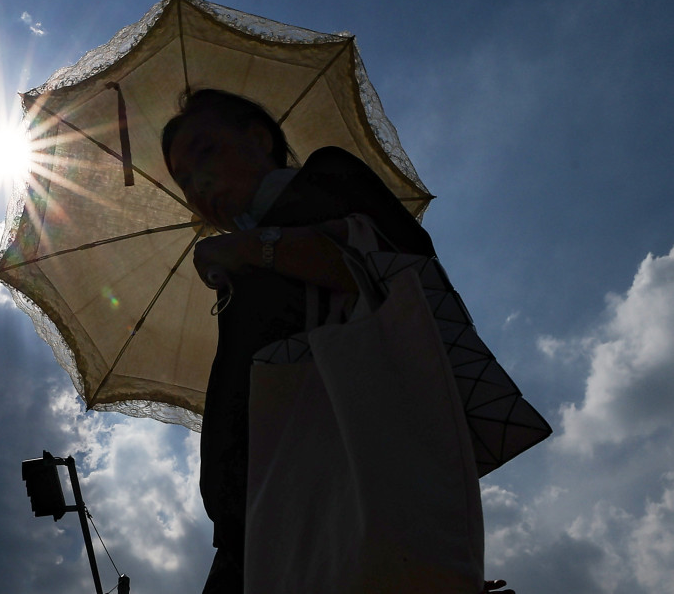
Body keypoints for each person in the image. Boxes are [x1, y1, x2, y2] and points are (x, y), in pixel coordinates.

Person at [161, 90, 511, 594]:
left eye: (205, 154)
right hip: (257, 513)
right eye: (184, 180)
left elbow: (396, 277)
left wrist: (254, 249)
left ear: (259, 138)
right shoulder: (238, 271)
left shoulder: (322, 180)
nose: (198, 185)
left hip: (331, 488)